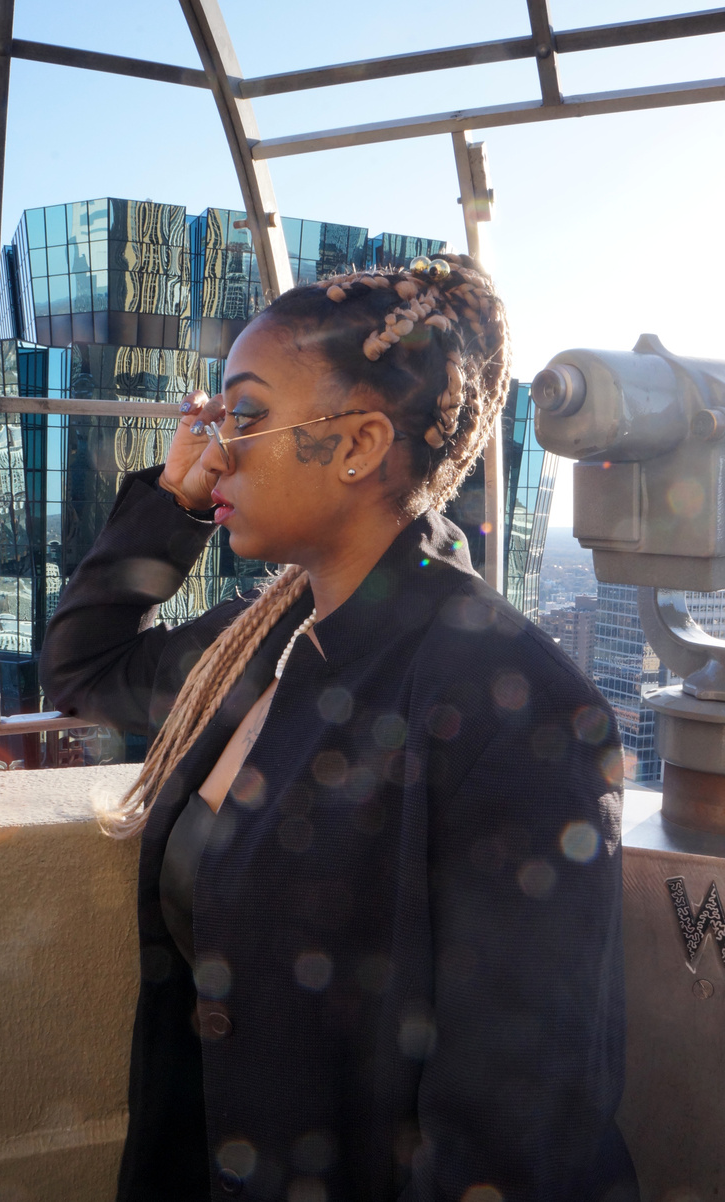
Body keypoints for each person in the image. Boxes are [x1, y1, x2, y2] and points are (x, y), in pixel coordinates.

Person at [39, 254, 639, 1202]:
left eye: (244, 416)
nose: (215, 449)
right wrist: (176, 504)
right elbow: (87, 669)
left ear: (358, 444)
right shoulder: (278, 635)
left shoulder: (511, 702)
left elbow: (520, 1114)